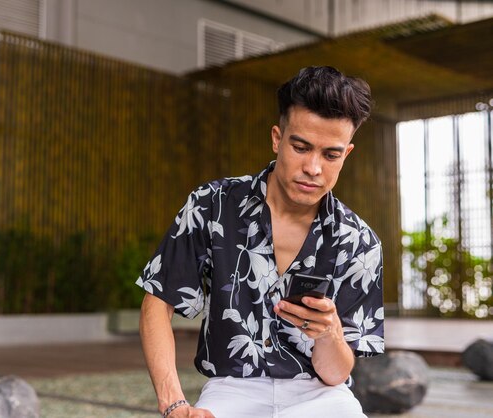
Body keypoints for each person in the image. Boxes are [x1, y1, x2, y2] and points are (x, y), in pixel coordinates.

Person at [137, 66, 384, 418]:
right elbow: (157, 302)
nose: (313, 167)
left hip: (320, 395)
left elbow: (336, 373)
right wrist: (174, 403)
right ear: (276, 138)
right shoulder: (212, 204)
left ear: (346, 154)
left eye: (330, 155)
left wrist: (330, 334)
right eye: (300, 147)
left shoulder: (359, 242)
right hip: (231, 388)